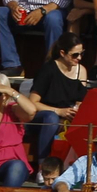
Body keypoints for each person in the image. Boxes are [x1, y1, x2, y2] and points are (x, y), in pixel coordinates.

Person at [26, 31, 88, 163]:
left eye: (82, 53)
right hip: (44, 116)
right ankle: (43, 164)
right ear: (62, 53)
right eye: (75, 55)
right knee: (52, 118)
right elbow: (33, 102)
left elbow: (80, 99)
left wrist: (76, 110)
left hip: (67, 117)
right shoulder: (48, 70)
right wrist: (59, 111)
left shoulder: (81, 70)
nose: (79, 58)